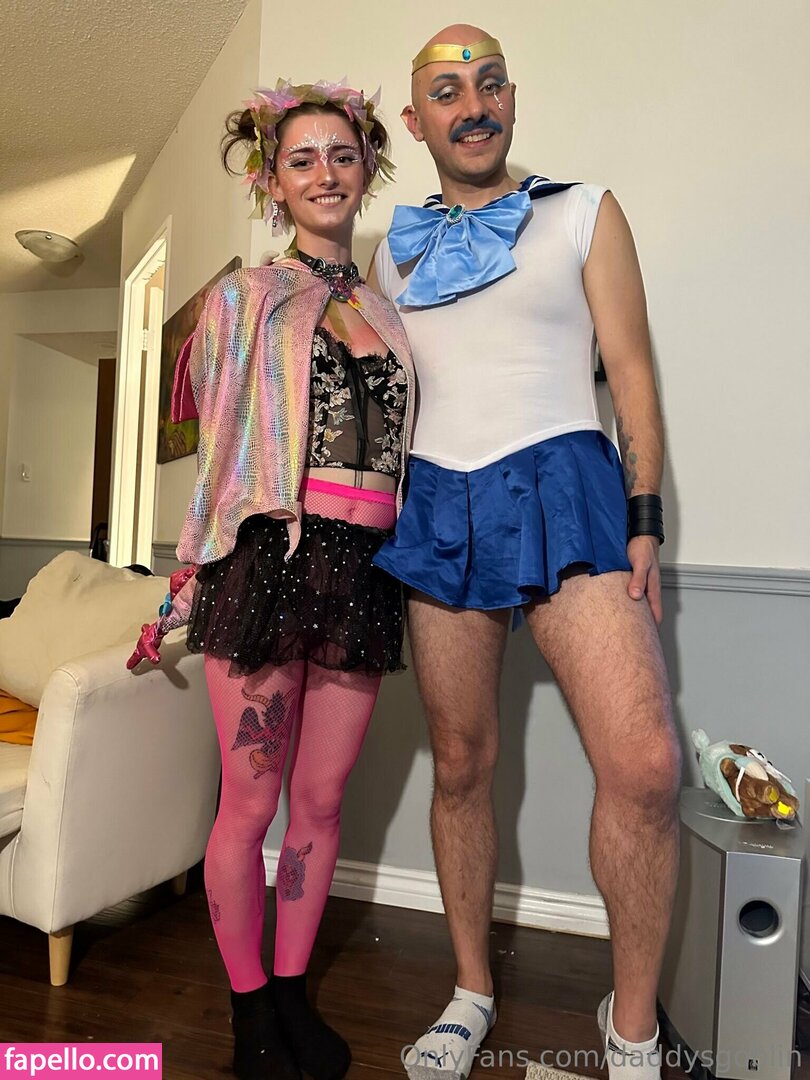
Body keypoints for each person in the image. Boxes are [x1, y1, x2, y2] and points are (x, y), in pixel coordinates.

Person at [368, 26, 682, 1080]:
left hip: (566, 483)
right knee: (461, 764)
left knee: (644, 767)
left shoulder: (585, 210)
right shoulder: (391, 253)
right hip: (438, 500)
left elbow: (631, 374)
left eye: (490, 83)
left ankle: (630, 1032)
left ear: (511, 97)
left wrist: (645, 516)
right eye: (447, 90)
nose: (474, 104)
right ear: (416, 121)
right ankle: (471, 992)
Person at [128, 79, 414, 1080]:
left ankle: (292, 991)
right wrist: (194, 564)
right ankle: (249, 1008)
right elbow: (220, 450)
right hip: (270, 563)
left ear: (366, 168)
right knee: (249, 806)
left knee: (322, 802)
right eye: (302, 159)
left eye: (342, 154)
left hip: (365, 569)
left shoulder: (390, 311)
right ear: (273, 183)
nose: (325, 173)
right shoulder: (245, 297)